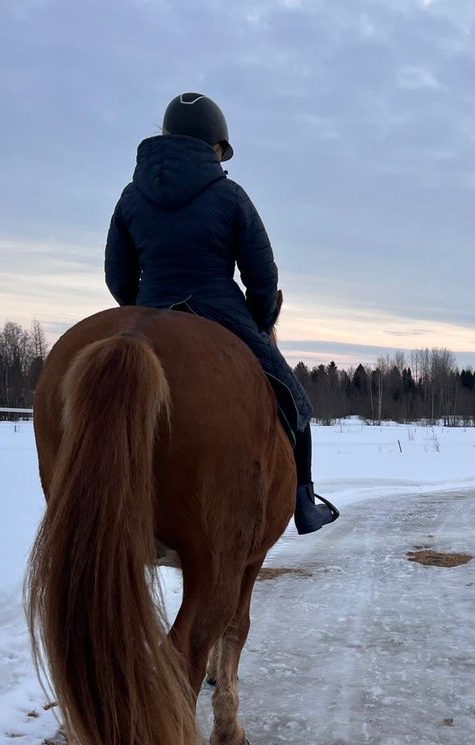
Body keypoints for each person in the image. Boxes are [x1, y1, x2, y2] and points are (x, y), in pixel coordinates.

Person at [104, 92, 338, 535]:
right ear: (214, 147)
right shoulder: (229, 195)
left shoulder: (130, 197)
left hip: (148, 303)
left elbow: (117, 277)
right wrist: (258, 320)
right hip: (218, 307)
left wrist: (144, 307)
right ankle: (303, 501)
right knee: (295, 402)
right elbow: (263, 277)